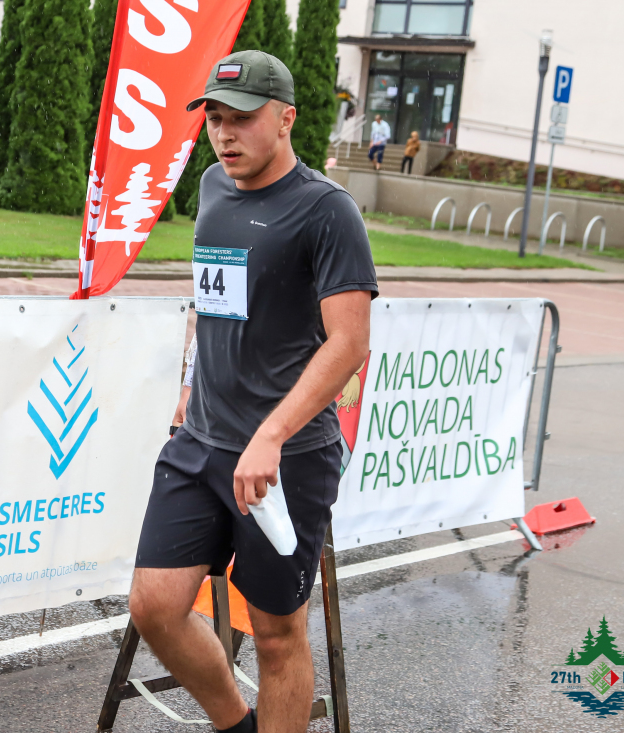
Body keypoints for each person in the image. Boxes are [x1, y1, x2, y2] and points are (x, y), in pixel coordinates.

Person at [134, 50, 377, 733]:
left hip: (285, 458)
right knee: (154, 605)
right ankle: (236, 724)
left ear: (286, 118)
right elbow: (214, 301)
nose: (224, 133)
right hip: (201, 443)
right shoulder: (212, 186)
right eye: (214, 118)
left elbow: (349, 343)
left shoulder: (327, 211)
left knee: (275, 634)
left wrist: (271, 434)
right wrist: (191, 382)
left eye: (241, 118)